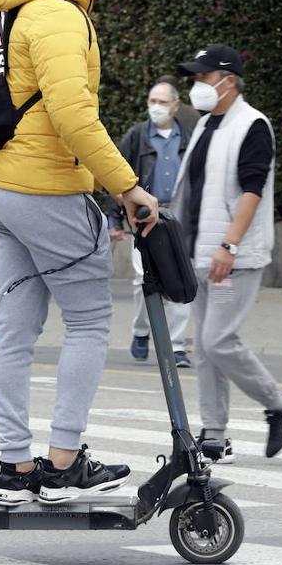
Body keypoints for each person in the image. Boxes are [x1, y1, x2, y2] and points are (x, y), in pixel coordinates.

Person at [0, 0, 158, 507]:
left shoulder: (19, 7)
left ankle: (15, 466)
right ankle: (61, 463)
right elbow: (74, 115)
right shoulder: (56, 13)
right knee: (87, 320)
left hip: (3, 186)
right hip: (49, 187)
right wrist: (128, 186)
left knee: (15, 328)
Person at [171, 43, 282, 463]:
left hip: (233, 255)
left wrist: (229, 244)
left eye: (203, 77)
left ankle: (279, 404)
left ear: (228, 80)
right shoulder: (210, 124)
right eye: (195, 77)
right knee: (206, 346)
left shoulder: (252, 125)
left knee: (218, 340)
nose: (197, 84)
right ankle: (214, 434)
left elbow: (252, 190)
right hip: (200, 252)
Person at [108, 80, 193, 367]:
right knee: (143, 280)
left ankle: (178, 345)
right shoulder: (137, 136)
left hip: (178, 216)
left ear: (176, 105)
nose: (156, 107)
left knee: (181, 275)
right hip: (144, 216)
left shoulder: (189, 138)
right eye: (152, 101)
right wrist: (114, 217)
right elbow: (115, 173)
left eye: (162, 102)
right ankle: (141, 331)